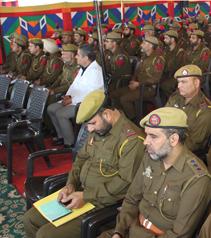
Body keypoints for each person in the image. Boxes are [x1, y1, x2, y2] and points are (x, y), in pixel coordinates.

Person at [24, 90, 145, 238]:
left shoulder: (131, 141)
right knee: (30, 219)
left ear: (107, 114)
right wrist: (71, 184)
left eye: (91, 123)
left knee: (46, 235)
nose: (89, 129)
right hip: (80, 193)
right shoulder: (101, 128)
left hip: (104, 205)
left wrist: (86, 196)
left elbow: (125, 184)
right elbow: (81, 159)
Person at [99, 107, 211, 238]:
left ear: (173, 140)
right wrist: (118, 231)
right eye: (147, 134)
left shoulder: (196, 179)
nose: (145, 141)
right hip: (129, 229)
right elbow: (131, 199)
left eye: (153, 136)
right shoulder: (151, 157)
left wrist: (136, 232)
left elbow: (179, 235)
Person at [47, 44, 105, 147]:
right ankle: (62, 136)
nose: (76, 57)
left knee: (61, 114)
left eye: (78, 55)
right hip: (75, 100)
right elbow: (74, 84)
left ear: (85, 58)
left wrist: (72, 100)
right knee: (51, 109)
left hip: (86, 103)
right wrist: (68, 96)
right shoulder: (83, 68)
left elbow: (90, 94)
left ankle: (70, 142)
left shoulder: (95, 71)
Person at [109, 36, 165, 121]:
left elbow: (155, 78)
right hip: (138, 86)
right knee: (113, 94)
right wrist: (133, 81)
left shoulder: (158, 59)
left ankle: (133, 120)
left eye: (144, 43)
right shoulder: (144, 57)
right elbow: (137, 72)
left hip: (148, 88)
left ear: (150, 46)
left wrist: (138, 83)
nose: (141, 45)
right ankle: (124, 115)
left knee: (124, 99)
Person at [164, 65, 211, 153]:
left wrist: (167, 150)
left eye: (183, 82)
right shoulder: (176, 97)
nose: (179, 86)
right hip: (168, 140)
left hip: (183, 152)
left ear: (196, 83)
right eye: (178, 82)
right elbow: (164, 119)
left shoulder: (206, 111)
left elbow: (192, 144)